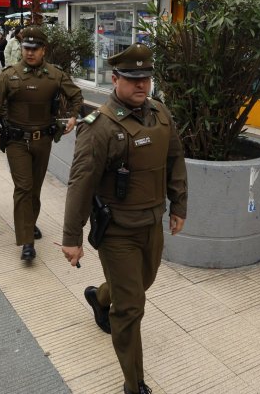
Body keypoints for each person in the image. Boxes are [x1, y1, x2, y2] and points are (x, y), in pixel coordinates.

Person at [61, 43, 188, 394]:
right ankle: (135, 384)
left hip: (152, 223)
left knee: (141, 283)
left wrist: (179, 205)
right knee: (131, 307)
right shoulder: (98, 126)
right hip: (117, 231)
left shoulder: (160, 113)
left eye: (145, 78)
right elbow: (81, 182)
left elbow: (175, 160)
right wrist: (72, 238)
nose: (141, 85)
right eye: (132, 79)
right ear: (115, 79)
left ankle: (100, 298)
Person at [0, 26, 84, 260]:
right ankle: (26, 241)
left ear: (43, 50)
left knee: (34, 189)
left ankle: (29, 222)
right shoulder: (9, 75)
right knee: (24, 188)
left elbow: (76, 95)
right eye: (26, 48)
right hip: (17, 142)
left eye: (35, 49)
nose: (29, 52)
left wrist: (73, 115)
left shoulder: (55, 75)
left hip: (43, 141)